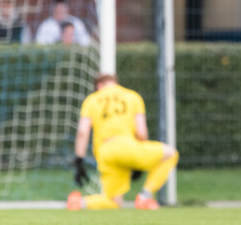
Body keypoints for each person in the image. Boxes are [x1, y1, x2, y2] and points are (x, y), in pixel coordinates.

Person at [67, 74, 179, 210]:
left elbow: (82, 132)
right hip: (127, 147)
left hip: (105, 152)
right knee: (171, 154)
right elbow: (141, 132)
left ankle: (79, 203)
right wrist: (138, 161)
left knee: (114, 202)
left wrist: (79, 159)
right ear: (115, 82)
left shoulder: (92, 100)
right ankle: (145, 196)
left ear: (99, 85)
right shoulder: (132, 97)